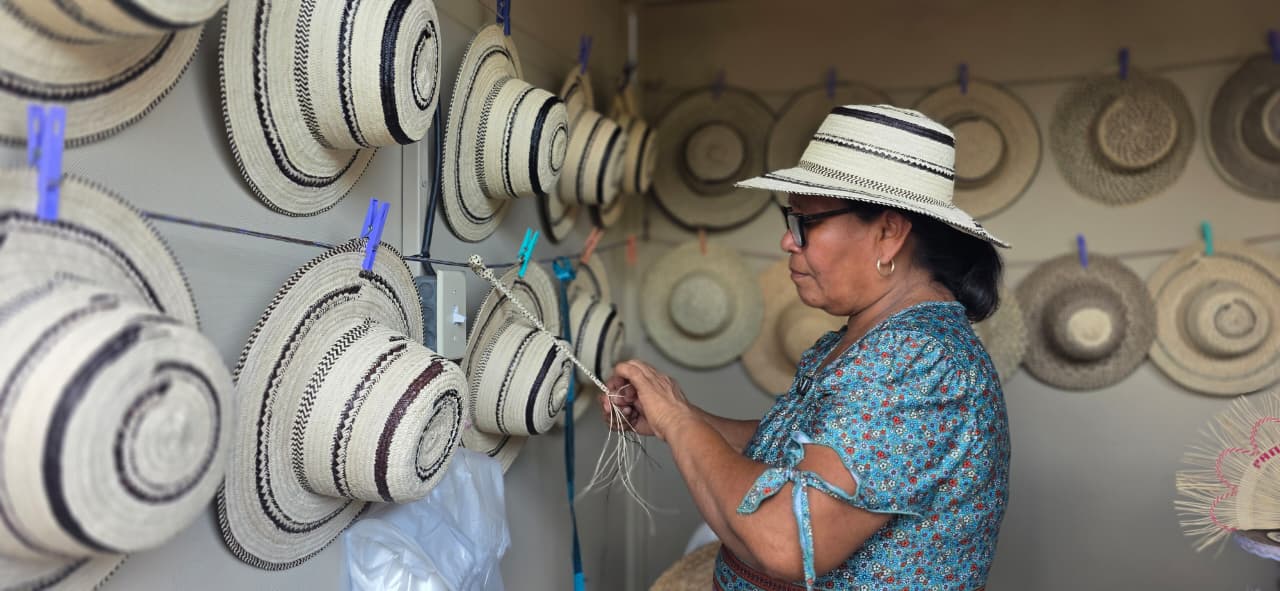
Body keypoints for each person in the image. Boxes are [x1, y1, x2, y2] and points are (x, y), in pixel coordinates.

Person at [602, 105, 1011, 590]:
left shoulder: (920, 362)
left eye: (806, 223)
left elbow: (786, 543)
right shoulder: (868, 341)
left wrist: (678, 420)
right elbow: (808, 448)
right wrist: (677, 417)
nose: (787, 241)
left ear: (888, 233)